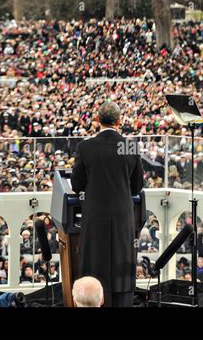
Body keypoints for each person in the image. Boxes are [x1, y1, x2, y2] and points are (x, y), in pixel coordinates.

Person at [71, 101, 144, 307]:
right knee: (122, 264)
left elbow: (77, 185)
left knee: (95, 262)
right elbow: (137, 186)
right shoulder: (130, 146)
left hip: (95, 217)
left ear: (97, 120)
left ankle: (92, 299)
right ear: (120, 122)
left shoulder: (85, 147)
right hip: (122, 217)